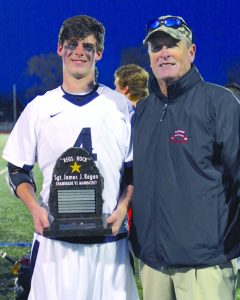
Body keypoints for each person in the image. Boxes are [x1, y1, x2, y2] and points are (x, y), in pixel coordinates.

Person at [2, 15, 139, 300]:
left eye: (88, 46)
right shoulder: (40, 108)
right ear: (60, 48)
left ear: (99, 53)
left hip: (109, 244)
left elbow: (134, 171)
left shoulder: (120, 107)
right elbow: (17, 170)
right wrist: (34, 209)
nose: (79, 51)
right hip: (56, 245)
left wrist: (123, 205)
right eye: (72, 44)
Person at [130, 15, 240, 300]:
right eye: (156, 48)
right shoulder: (142, 111)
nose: (164, 53)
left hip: (205, 266)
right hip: (153, 264)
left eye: (172, 45)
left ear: (191, 51)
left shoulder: (219, 103)